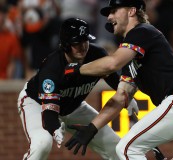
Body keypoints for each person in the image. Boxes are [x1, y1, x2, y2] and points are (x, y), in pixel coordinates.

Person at [64, 0, 173, 159]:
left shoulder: (141, 31)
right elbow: (120, 98)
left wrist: (76, 69)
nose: (109, 16)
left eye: (114, 10)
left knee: (126, 149)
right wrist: (91, 128)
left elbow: (112, 64)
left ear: (132, 11)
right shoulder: (131, 51)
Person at [17, 17, 139, 160]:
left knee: (115, 147)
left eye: (85, 40)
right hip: (38, 104)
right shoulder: (52, 68)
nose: (83, 47)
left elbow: (113, 79)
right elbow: (49, 113)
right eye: (77, 43)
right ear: (66, 44)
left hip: (73, 107)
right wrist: (54, 127)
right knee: (42, 143)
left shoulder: (96, 54)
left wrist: (127, 97)